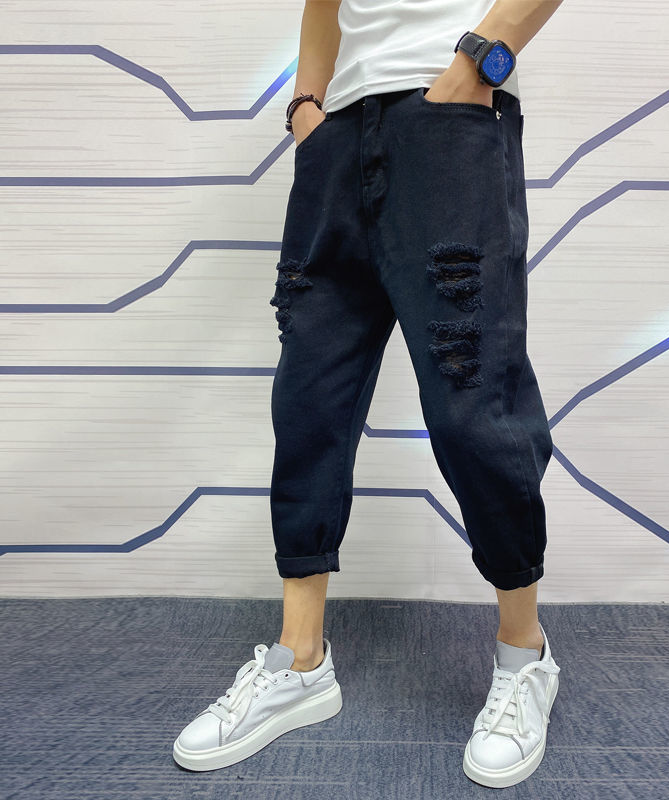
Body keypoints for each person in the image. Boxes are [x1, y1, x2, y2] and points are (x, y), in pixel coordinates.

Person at [173, 0, 564, 789]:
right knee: (309, 401)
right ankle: (300, 660)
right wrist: (306, 106)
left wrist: (475, 63)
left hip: (449, 121)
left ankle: (524, 654)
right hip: (335, 140)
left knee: (471, 401)